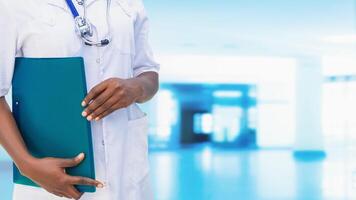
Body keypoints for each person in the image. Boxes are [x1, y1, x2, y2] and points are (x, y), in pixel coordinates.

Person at [0, 0, 159, 199]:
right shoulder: (13, 5)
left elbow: (148, 72)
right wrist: (27, 165)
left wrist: (135, 88)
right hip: (52, 176)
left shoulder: (129, 4)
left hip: (126, 174)